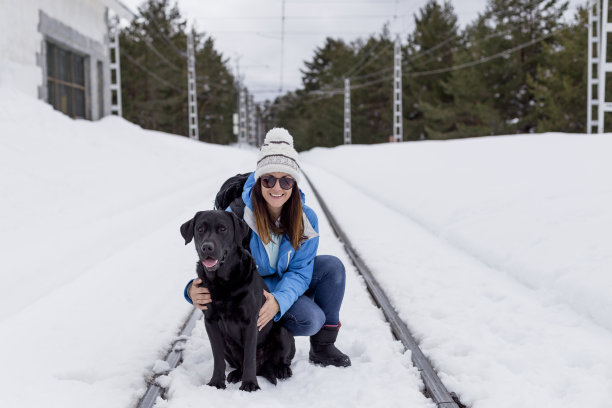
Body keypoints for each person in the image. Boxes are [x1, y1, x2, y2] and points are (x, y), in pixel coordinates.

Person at [184, 127, 351, 368]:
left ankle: (323, 347)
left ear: (294, 183)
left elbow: (301, 271)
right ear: (259, 180)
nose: (277, 187)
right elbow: (213, 260)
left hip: (281, 286)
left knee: (332, 267)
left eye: (286, 180)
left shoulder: (306, 218)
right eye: (268, 179)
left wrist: (279, 302)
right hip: (250, 292)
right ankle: (264, 336)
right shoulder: (237, 217)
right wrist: (191, 290)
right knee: (309, 319)